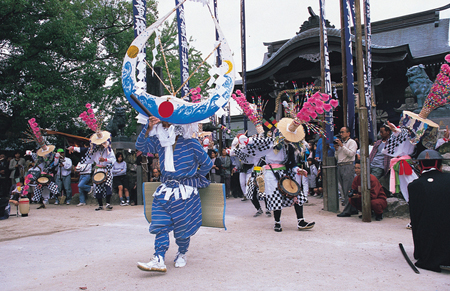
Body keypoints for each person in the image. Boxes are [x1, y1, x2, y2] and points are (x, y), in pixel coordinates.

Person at [135, 116, 212, 272]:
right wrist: (148, 127)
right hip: (165, 190)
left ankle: (182, 252)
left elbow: (207, 164)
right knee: (160, 224)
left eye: (167, 123)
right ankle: (159, 258)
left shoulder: (191, 143)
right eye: (162, 123)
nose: (164, 126)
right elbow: (140, 145)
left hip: (185, 193)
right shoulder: (160, 143)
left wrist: (195, 179)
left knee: (182, 230)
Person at [408, 149, 450, 272]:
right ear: (438, 164)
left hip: (430, 237)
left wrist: (420, 251)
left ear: (420, 166)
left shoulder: (415, 186)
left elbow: (415, 219)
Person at [69, 131, 116, 211]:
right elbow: (85, 151)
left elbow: (113, 160)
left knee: (108, 186)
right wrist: (74, 148)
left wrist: (105, 159)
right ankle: (100, 205)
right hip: (98, 169)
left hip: (107, 169)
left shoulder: (109, 150)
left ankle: (108, 204)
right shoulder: (95, 150)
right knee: (98, 187)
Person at [335, 126, 359, 217]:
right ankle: (353, 208)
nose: (341, 134)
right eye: (340, 132)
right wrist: (337, 149)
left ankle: (347, 210)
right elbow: (337, 157)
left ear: (348, 133)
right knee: (342, 189)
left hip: (348, 165)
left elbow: (351, 154)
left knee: (347, 189)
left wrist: (342, 146)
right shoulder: (341, 143)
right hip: (340, 165)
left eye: (343, 132)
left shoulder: (352, 142)